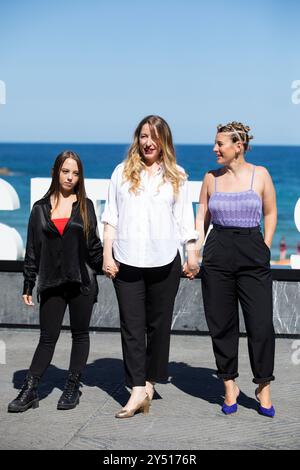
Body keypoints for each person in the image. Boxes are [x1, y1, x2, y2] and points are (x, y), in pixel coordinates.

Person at [101, 115, 199, 418]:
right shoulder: (121, 172)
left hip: (164, 262)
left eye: (154, 136)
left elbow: (185, 219)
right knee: (131, 327)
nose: (148, 142)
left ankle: (148, 382)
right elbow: (111, 216)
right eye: (143, 135)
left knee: (158, 328)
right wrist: (107, 254)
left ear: (164, 141)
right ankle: (136, 390)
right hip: (127, 260)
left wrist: (191, 253)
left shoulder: (177, 175)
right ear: (137, 139)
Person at [8, 151, 103, 412]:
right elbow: (32, 250)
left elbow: (94, 247)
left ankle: (72, 386)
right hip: (51, 283)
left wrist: (111, 263)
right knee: (47, 338)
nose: (70, 177)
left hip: (81, 282)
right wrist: (28, 283)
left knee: (80, 335)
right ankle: (30, 390)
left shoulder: (86, 206)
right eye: (66, 171)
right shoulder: (39, 208)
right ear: (56, 172)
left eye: (75, 173)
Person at [194, 122, 277, 417]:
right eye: (215, 144)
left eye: (220, 144)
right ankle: (229, 384)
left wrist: (265, 246)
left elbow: (270, 212)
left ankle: (263, 386)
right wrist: (195, 249)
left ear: (237, 146)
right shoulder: (210, 178)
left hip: (252, 250)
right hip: (218, 250)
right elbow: (202, 213)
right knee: (222, 323)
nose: (215, 149)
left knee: (261, 324)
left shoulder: (261, 175)